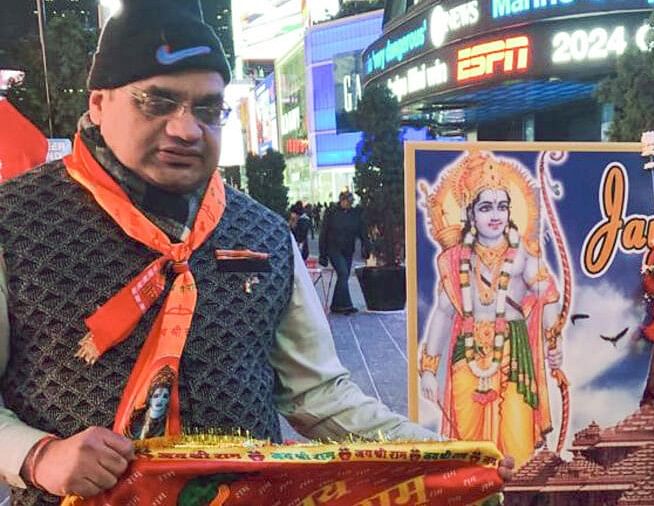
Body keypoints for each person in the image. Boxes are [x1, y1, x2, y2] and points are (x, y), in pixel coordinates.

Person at [0, 2, 512, 504]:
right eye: (156, 102)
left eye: (207, 108)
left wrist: (444, 454)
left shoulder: (263, 231)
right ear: (97, 103)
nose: (185, 128)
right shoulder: (14, 222)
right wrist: (37, 455)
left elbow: (317, 394)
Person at [418, 153, 563, 469]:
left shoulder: (523, 253)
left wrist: (553, 341)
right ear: (470, 212)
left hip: (514, 355)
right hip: (467, 355)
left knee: (516, 437)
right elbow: (443, 313)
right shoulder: (456, 259)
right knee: (467, 441)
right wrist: (429, 367)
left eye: (502, 206)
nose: (495, 215)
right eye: (485, 207)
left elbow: (547, 295)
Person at [317, 191, 369, 315]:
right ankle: (346, 305)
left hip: (348, 249)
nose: (349, 204)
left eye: (351, 202)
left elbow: (361, 231)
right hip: (333, 248)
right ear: (341, 201)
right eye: (347, 202)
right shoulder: (332, 213)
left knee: (343, 276)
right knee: (343, 273)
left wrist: (366, 245)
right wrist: (322, 254)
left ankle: (337, 305)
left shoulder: (355, 214)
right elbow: (323, 233)